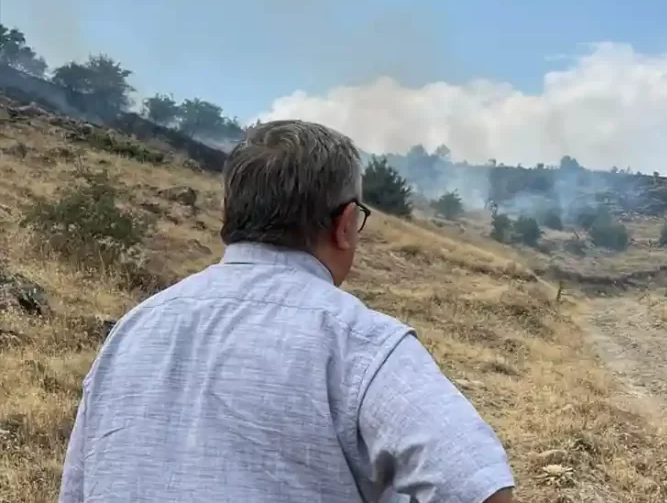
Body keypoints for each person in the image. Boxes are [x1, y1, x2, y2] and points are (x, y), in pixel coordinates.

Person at [58, 120, 515, 503]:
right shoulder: (359, 344)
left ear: (227, 213)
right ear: (345, 224)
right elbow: (481, 488)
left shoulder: (133, 330)